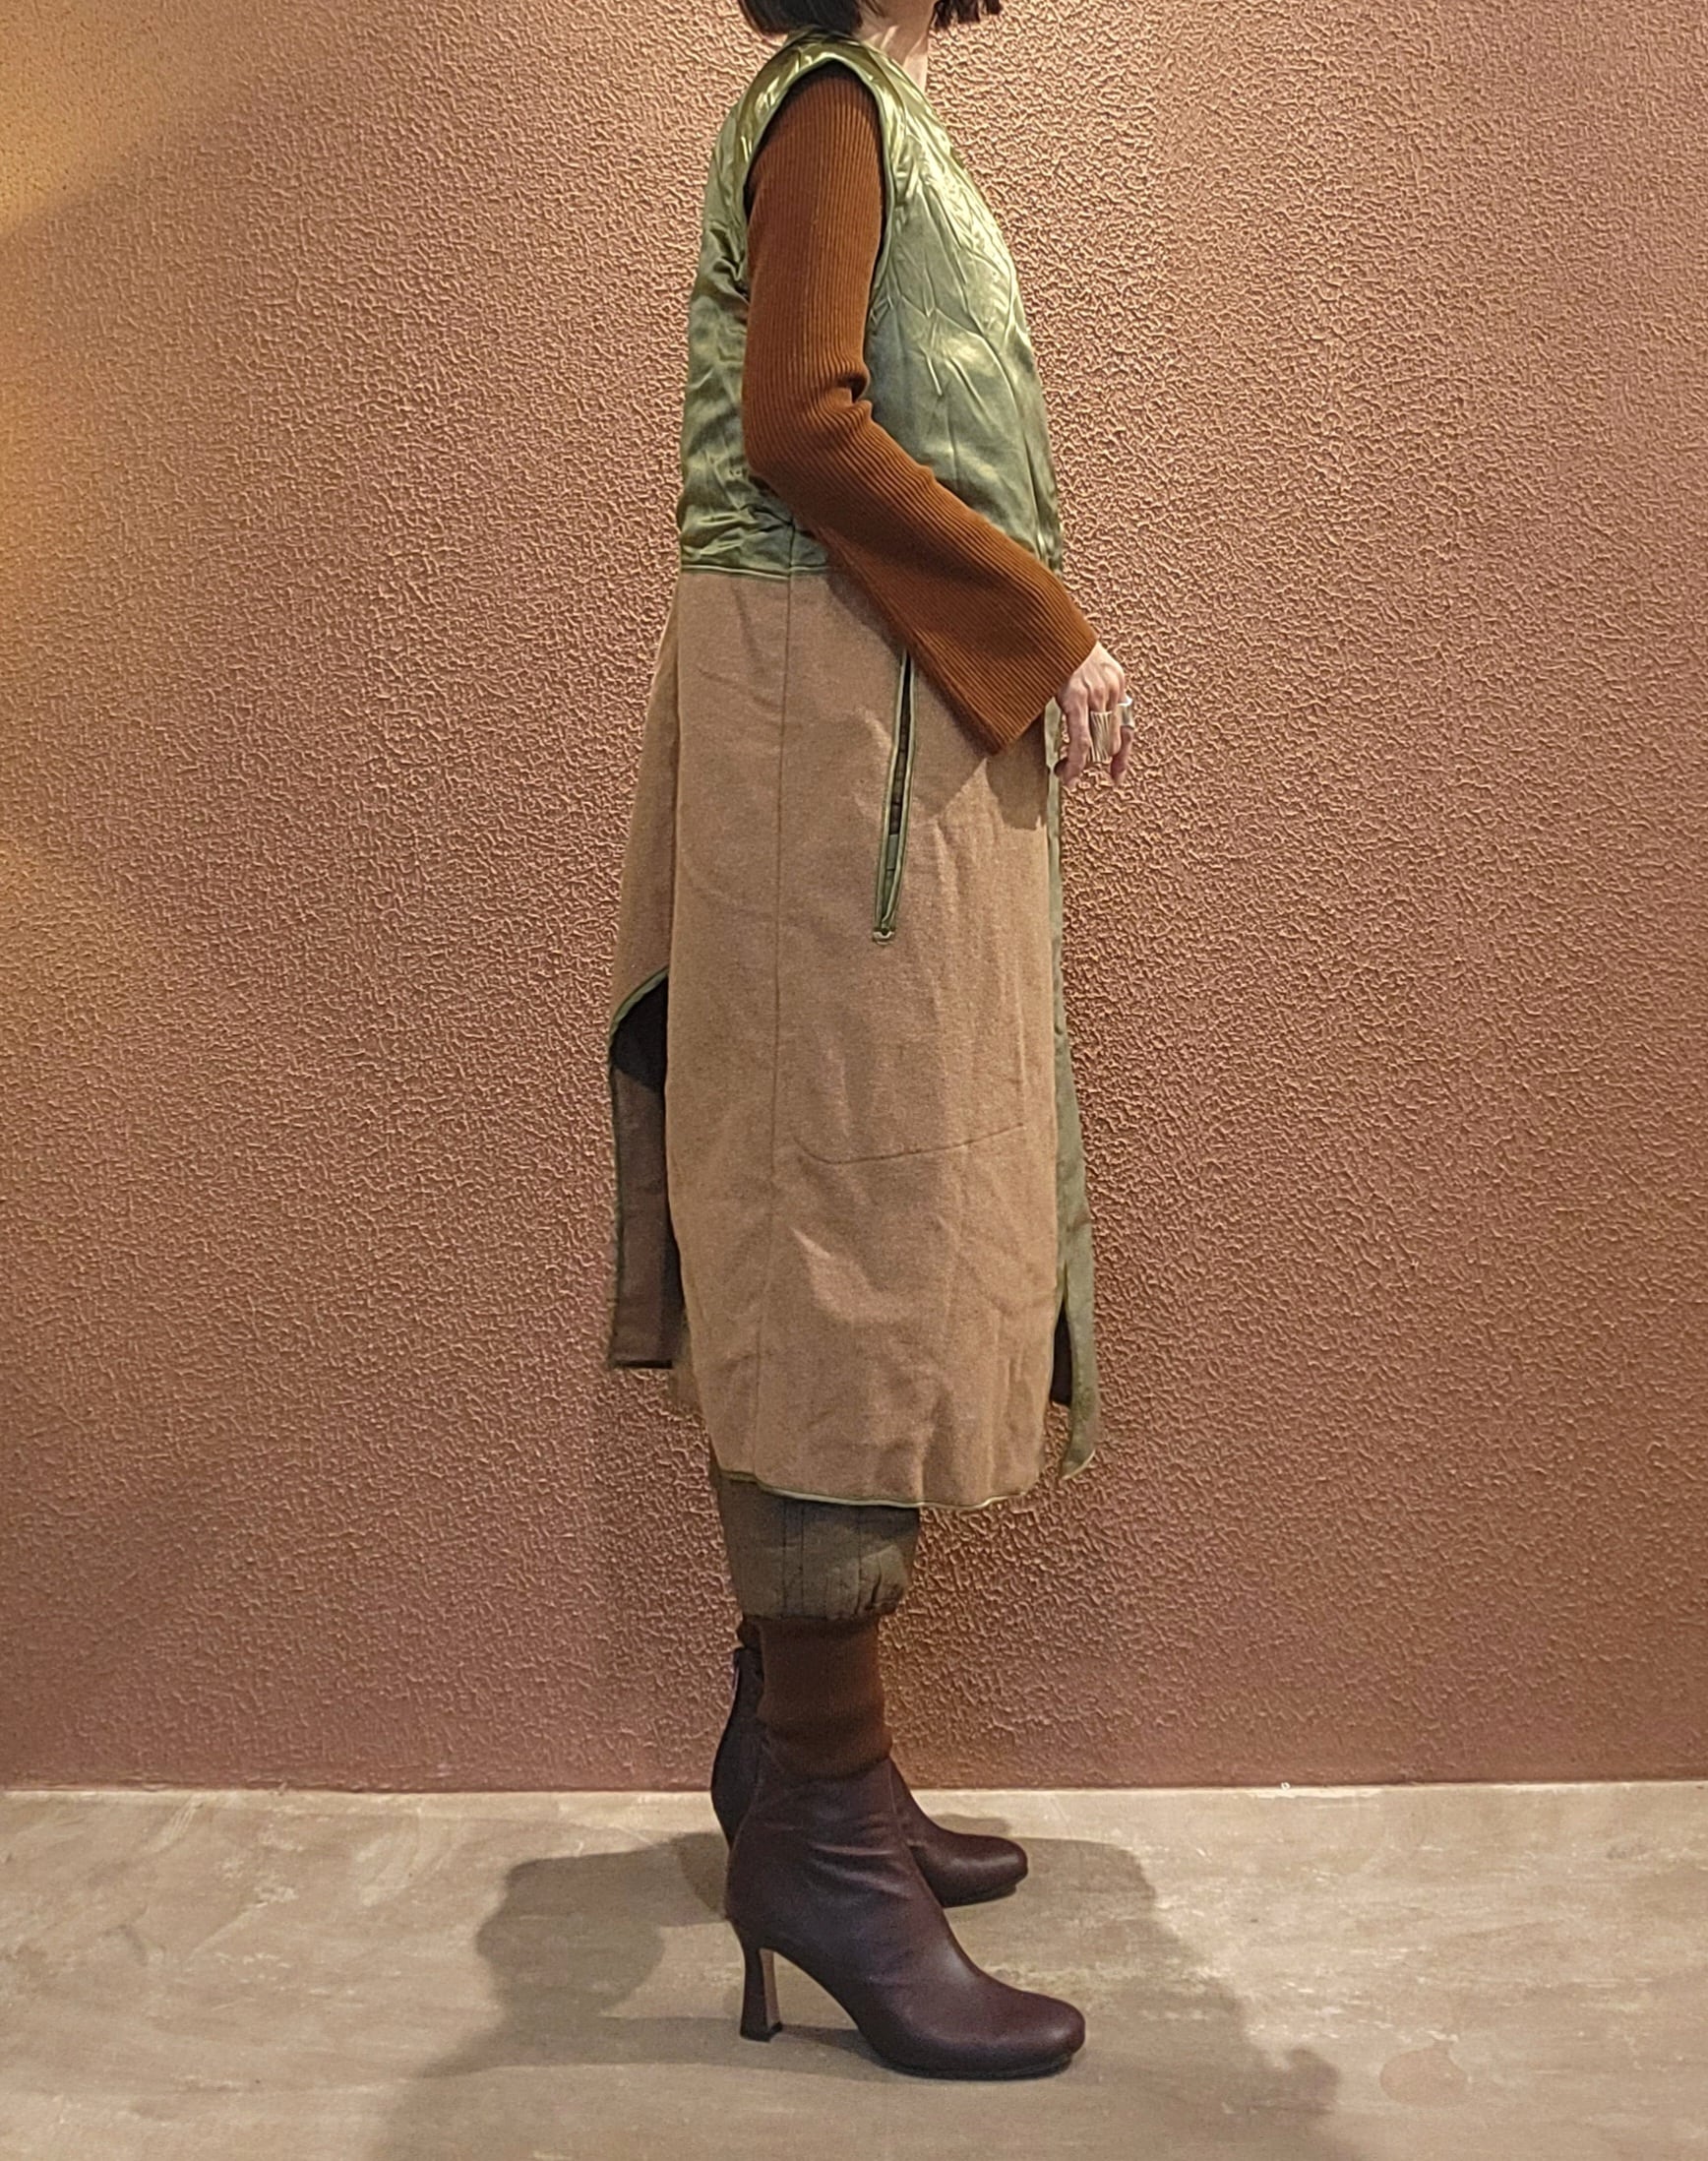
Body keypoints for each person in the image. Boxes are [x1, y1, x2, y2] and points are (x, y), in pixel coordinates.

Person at [604, 0, 1134, 2079]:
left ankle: (813, 1762)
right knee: (834, 1236)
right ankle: (821, 1834)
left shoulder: (874, 113)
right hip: (831, 739)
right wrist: (1045, 624)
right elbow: (803, 430)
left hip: (866, 726)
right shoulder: (828, 102)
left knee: (878, 1216)